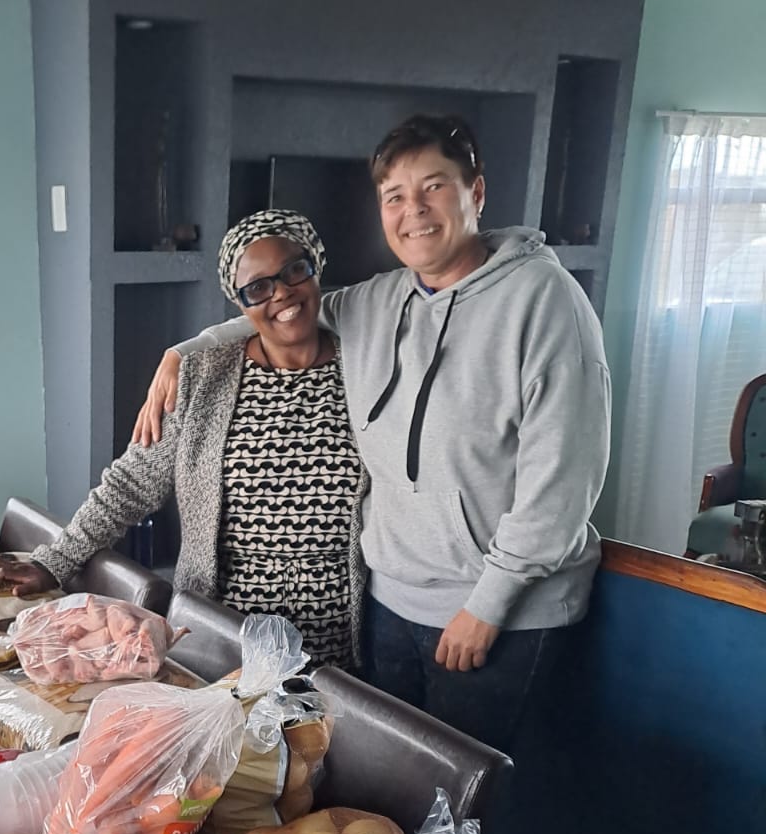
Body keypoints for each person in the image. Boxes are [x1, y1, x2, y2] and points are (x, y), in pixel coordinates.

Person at [130, 114, 611, 752]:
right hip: (390, 605)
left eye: (433, 187)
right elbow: (284, 311)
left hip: (495, 613)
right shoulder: (382, 300)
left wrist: (488, 606)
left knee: (460, 811)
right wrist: (186, 351)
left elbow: (563, 485)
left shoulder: (545, 300)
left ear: (477, 193)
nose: (414, 211)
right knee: (387, 795)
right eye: (395, 197)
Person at [0, 211, 365, 668]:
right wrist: (55, 560)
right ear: (240, 302)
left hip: (335, 643)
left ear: (314, 267)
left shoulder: (367, 368)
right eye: (258, 287)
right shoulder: (202, 377)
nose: (281, 292)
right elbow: (130, 485)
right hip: (222, 637)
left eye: (293, 270)